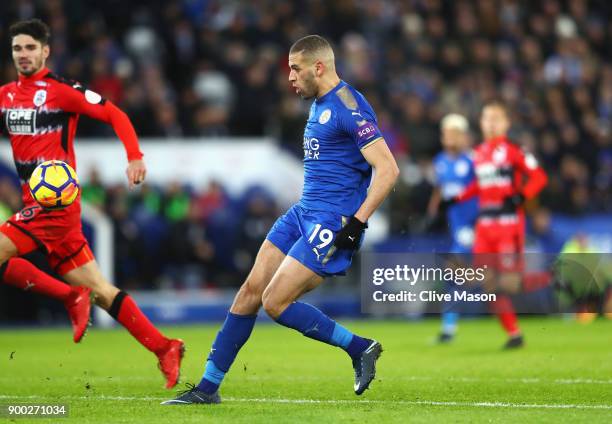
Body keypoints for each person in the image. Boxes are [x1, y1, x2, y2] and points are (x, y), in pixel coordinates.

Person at [163, 34, 399, 405]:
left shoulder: (350, 106)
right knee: (249, 292)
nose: (289, 76)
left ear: (318, 67)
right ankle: (207, 388)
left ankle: (359, 347)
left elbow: (387, 169)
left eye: (295, 68)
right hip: (302, 212)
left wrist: (357, 223)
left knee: (275, 303)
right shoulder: (319, 102)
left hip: (331, 222)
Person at [0, 19, 183, 388]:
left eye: (30, 48)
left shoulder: (61, 91)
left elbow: (114, 113)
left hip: (56, 203)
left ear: (45, 51)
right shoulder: (5, 95)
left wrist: (134, 156)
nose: (24, 54)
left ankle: (69, 296)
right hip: (36, 204)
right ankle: (165, 347)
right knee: (102, 291)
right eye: (18, 48)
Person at [454, 100, 548, 349]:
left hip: (508, 225)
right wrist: (456, 198)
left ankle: (552, 279)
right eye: (487, 118)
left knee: (508, 283)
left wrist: (521, 196)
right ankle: (514, 334)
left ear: (506, 123)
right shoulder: (479, 153)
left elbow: (539, 177)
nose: (491, 122)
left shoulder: (515, 150)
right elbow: (478, 186)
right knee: (487, 284)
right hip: (485, 226)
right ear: (481, 123)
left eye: (496, 118)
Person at [426, 113, 478, 343]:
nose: (449, 137)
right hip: (456, 228)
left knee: (454, 274)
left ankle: (449, 328)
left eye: (454, 133)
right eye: (446, 133)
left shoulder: (473, 161)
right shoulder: (440, 161)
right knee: (458, 276)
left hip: (473, 228)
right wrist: (433, 209)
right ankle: (449, 328)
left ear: (463, 136)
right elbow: (440, 189)